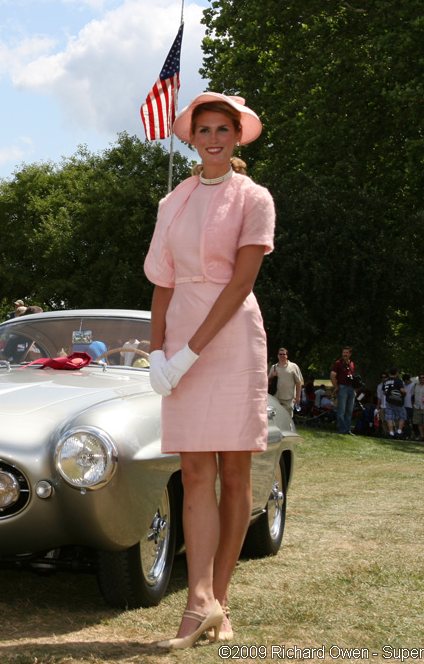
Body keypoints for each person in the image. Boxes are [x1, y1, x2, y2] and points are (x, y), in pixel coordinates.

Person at [142, 92, 274, 648]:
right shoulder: (172, 201)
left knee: (235, 473)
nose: (214, 138)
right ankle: (196, 603)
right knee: (195, 472)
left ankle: (219, 599)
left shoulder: (255, 198)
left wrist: (190, 352)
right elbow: (161, 285)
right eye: (205, 130)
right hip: (179, 343)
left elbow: (241, 283)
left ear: (238, 135)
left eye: (224, 128)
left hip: (231, 338)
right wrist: (156, 353)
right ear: (191, 138)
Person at [267, 348, 302, 418]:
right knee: (275, 418)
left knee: (287, 419)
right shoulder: (274, 367)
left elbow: (299, 382)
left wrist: (298, 396)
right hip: (276, 397)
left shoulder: (293, 367)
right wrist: (271, 376)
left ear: (287, 356)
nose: (282, 356)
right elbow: (268, 382)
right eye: (280, 354)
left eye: (284, 354)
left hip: (288, 398)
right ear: (277, 356)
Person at [330, 347, 357, 435]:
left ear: (350, 354)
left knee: (349, 410)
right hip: (342, 387)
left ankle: (347, 429)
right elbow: (332, 375)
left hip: (351, 388)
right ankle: (342, 429)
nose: (345, 354)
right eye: (343, 352)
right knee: (341, 410)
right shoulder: (338, 363)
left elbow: (353, 377)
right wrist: (336, 387)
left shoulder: (352, 364)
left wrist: (354, 390)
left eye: (347, 352)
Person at [380, 368, 407, 438]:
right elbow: (402, 390)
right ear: (397, 373)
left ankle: (391, 432)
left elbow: (384, 392)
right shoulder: (398, 381)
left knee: (389, 417)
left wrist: (388, 395)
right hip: (398, 401)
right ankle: (399, 431)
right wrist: (404, 394)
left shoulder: (386, 381)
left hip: (389, 401)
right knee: (403, 416)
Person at [411, 372, 424, 441]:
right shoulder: (415, 386)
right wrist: (413, 404)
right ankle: (422, 435)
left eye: (423, 377)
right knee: (418, 422)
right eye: (420, 378)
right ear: (418, 379)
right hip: (417, 406)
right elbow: (412, 395)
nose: (422, 379)